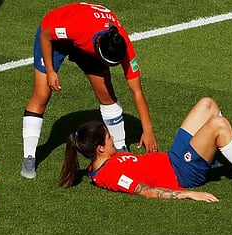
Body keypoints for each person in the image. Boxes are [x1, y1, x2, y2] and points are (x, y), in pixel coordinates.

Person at [21, 2, 158, 179]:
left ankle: (120, 149)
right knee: (42, 93)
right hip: (55, 38)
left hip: (87, 46)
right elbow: (47, 34)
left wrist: (147, 130)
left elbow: (136, 91)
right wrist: (50, 71)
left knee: (106, 94)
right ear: (99, 47)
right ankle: (29, 156)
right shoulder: (78, 28)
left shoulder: (123, 46)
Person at [59, 97, 232, 200]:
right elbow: (145, 190)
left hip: (174, 157)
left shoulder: (103, 162)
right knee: (218, 125)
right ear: (99, 148)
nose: (112, 140)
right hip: (182, 172)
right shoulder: (109, 174)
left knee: (208, 104)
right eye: (108, 138)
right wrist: (189, 195)